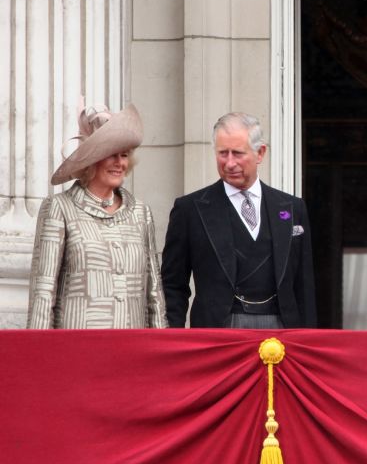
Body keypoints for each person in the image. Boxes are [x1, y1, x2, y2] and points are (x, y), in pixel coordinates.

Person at [162, 112, 316, 328]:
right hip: (217, 332)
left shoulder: (292, 208)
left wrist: (307, 343)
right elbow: (173, 285)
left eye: (238, 153)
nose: (230, 163)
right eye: (223, 153)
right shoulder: (189, 210)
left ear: (260, 153)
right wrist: (174, 340)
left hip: (282, 330)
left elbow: (304, 286)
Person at [27, 100, 167, 329]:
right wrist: (41, 358)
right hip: (79, 351)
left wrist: (161, 352)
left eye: (124, 155)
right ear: (91, 160)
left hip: (132, 351)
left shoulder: (141, 213)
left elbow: (154, 294)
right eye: (111, 154)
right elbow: (44, 292)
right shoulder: (60, 208)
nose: (119, 163)